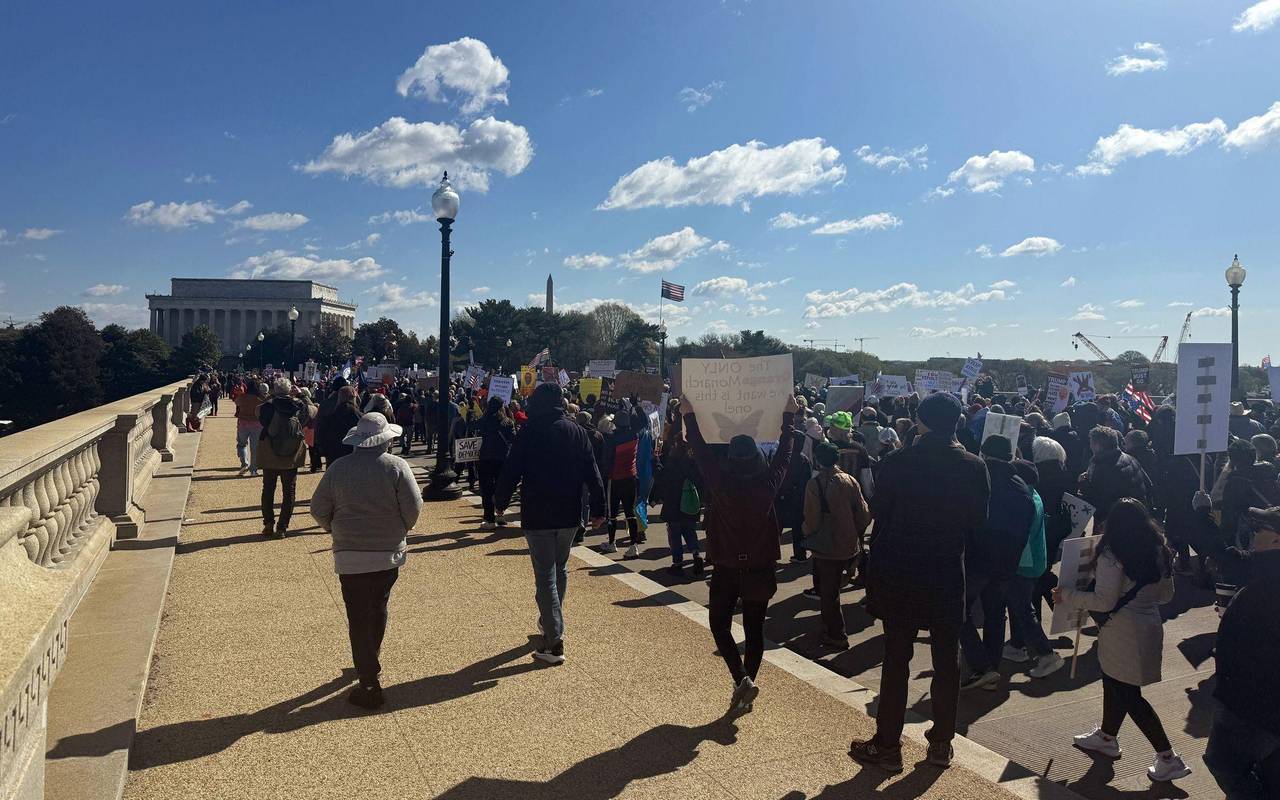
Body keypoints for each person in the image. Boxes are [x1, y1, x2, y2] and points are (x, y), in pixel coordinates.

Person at [852, 392, 990, 773]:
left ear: (922, 421)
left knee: (897, 658)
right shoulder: (974, 465)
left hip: (902, 570)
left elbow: (879, 509)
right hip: (947, 570)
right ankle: (941, 744)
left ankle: (887, 744)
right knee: (947, 661)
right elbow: (978, 520)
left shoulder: (899, 460)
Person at [1057, 498, 1189, 783]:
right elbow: (1166, 595)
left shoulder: (1111, 554)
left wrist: (1068, 595)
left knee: (1128, 693)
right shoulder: (1159, 549)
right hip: (1148, 625)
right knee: (1115, 682)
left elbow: (1103, 602)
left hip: (1121, 629)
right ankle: (1107, 736)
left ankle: (1168, 757)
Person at [682, 392, 798, 714]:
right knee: (754, 630)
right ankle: (746, 683)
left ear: (731, 459)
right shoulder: (767, 484)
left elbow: (702, 454)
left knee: (719, 623)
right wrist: (789, 418)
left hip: (726, 565)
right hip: (760, 565)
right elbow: (785, 455)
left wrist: (689, 414)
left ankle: (741, 680)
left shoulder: (721, 483)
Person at [310, 412, 423, 709]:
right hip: (387, 551)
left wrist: (333, 526)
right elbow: (413, 507)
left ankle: (368, 675)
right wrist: (402, 527)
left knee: (358, 615)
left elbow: (318, 508)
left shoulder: (338, 468)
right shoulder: (396, 466)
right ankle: (369, 661)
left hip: (350, 553)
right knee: (378, 607)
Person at [495, 383, 606, 665]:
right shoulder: (578, 432)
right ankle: (549, 620)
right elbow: (592, 473)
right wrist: (599, 508)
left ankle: (554, 639)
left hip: (539, 511)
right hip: (569, 512)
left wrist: (500, 501)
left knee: (545, 575)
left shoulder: (529, 432)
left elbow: (511, 468)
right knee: (560, 569)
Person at [1196, 505, 1280, 798]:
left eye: (1261, 530)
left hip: (1250, 699)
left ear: (1277, 541)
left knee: (1223, 763)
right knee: (1271, 771)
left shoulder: (1270, 568)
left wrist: (1202, 517)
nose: (1252, 534)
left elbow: (1227, 558)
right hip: (1262, 697)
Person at [959, 436, 1035, 691]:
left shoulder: (977, 477)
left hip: (977, 559)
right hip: (1007, 562)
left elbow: (970, 518)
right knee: (995, 613)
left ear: (984, 452)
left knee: (957, 610)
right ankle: (991, 666)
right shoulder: (1022, 486)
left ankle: (981, 665)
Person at [801, 441, 870, 649]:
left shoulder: (815, 485)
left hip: (827, 546)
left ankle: (836, 633)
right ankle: (833, 628)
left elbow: (811, 519)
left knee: (829, 593)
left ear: (817, 460)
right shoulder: (850, 480)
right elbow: (864, 513)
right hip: (849, 542)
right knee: (837, 585)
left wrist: (807, 533)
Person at [257, 377, 310, 538]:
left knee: (268, 489)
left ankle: (268, 523)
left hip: (270, 453)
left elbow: (258, 413)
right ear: (290, 390)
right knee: (289, 492)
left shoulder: (267, 407)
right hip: (291, 454)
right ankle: (282, 527)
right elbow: (312, 411)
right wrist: (301, 395)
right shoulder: (299, 406)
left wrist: (270, 398)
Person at [655, 415, 704, 577]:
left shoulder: (673, 460)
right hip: (690, 500)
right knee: (690, 530)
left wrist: (657, 461)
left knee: (675, 534)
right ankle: (696, 553)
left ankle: (678, 563)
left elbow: (664, 478)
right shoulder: (694, 459)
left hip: (674, 502)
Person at [1080, 426, 1151, 528]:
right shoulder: (1131, 458)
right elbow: (1149, 485)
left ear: (1098, 446)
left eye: (1091, 443)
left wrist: (1083, 483)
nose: (1090, 446)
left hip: (1116, 523)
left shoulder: (1103, 467)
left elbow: (1098, 500)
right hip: (1138, 516)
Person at [600, 407, 642, 557]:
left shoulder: (611, 439)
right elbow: (643, 422)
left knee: (612, 513)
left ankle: (611, 543)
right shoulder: (634, 435)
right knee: (630, 512)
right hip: (630, 476)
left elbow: (607, 460)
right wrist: (635, 407)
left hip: (614, 478)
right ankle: (633, 545)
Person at [476, 397, 514, 529]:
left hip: (486, 458)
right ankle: (500, 513)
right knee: (501, 488)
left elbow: (472, 426)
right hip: (502, 458)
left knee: (486, 489)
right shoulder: (508, 422)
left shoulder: (484, 420)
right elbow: (513, 439)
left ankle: (489, 518)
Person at [234, 381, 266, 477]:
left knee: (242, 444)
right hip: (257, 424)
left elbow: (236, 402)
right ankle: (254, 469)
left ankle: (244, 463)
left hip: (243, 423)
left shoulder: (243, 397)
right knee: (255, 448)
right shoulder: (260, 398)